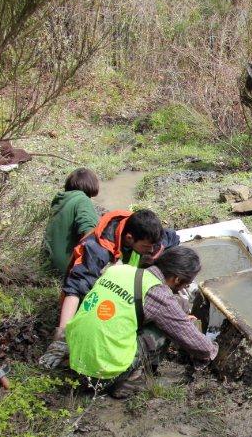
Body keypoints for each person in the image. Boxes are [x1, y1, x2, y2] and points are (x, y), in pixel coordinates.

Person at [63, 246, 217, 398]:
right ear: (177, 279)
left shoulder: (119, 270)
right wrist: (212, 348)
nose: (186, 287)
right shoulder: (158, 294)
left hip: (73, 357)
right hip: (100, 374)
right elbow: (200, 346)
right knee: (162, 329)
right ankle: (129, 380)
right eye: (186, 284)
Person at [39, 208, 180, 369]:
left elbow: (172, 239)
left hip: (117, 290)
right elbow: (74, 290)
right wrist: (61, 336)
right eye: (147, 247)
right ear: (129, 238)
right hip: (89, 297)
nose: (151, 250)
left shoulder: (145, 232)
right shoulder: (96, 249)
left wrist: (156, 258)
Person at [43, 168, 101, 277]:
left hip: (46, 265)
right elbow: (89, 232)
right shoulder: (83, 200)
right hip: (65, 268)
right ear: (92, 184)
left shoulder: (60, 199)